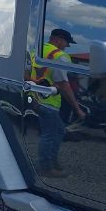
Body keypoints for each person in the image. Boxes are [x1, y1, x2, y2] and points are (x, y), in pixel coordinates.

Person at [30, 28, 87, 176]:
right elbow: (63, 84)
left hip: (35, 98)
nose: (67, 46)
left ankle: (51, 162)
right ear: (58, 39)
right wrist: (77, 108)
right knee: (50, 134)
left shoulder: (36, 50)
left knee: (59, 130)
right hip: (49, 102)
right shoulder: (60, 56)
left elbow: (27, 73)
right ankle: (46, 168)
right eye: (66, 43)